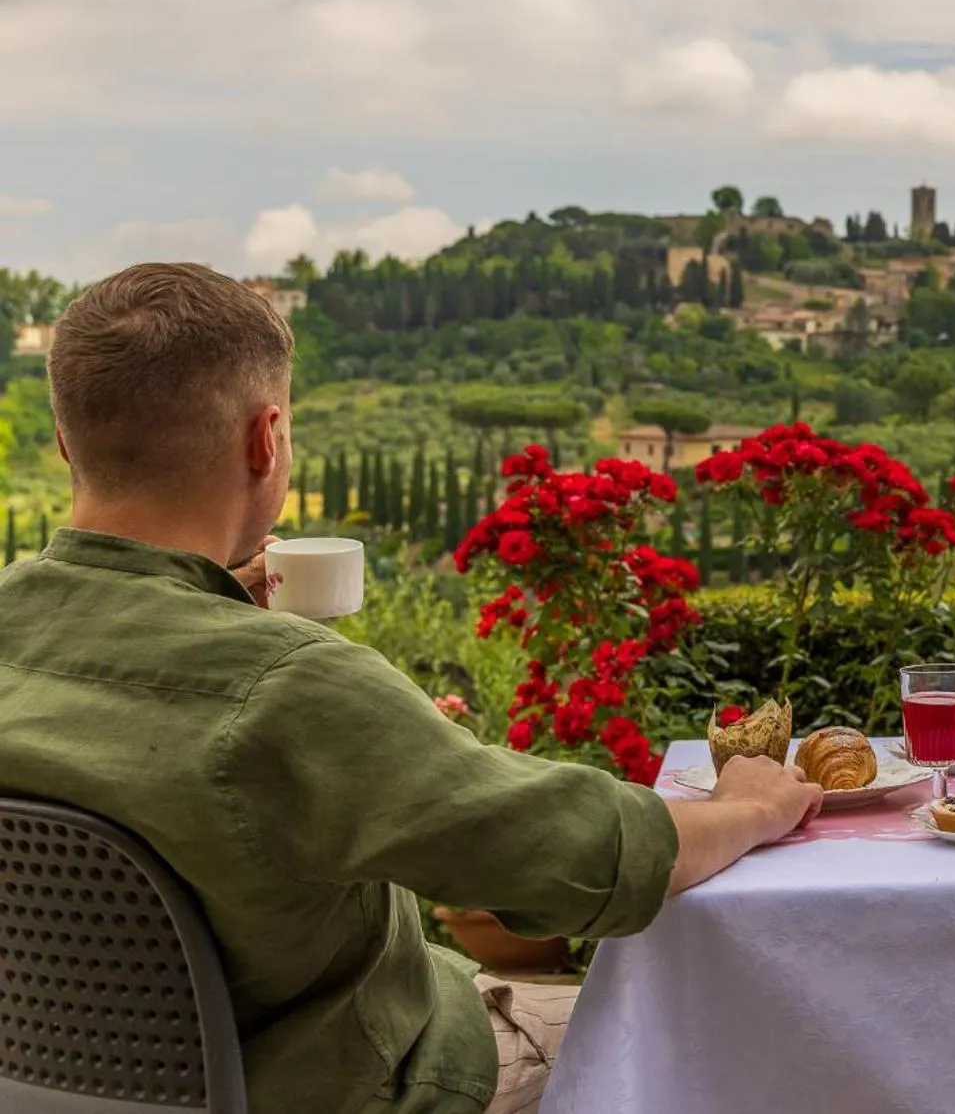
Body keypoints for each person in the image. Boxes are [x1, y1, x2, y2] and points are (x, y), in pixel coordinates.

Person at [0, 262, 823, 1113]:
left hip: (66, 1092)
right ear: (266, 439)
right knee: (704, 1040)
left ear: (68, 440)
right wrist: (750, 804)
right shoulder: (288, 688)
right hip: (357, 1088)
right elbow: (578, 862)